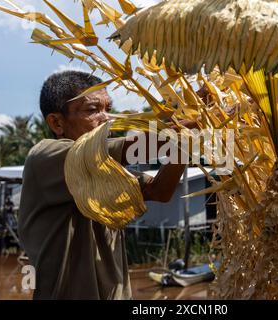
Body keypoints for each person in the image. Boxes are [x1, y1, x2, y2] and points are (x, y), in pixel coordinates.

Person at [18, 70, 198, 300]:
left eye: (107, 109)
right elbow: (128, 149)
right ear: (57, 122)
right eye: (92, 110)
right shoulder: (45, 157)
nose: (106, 118)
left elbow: (159, 191)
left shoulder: (107, 171)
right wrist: (195, 123)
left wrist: (186, 143)